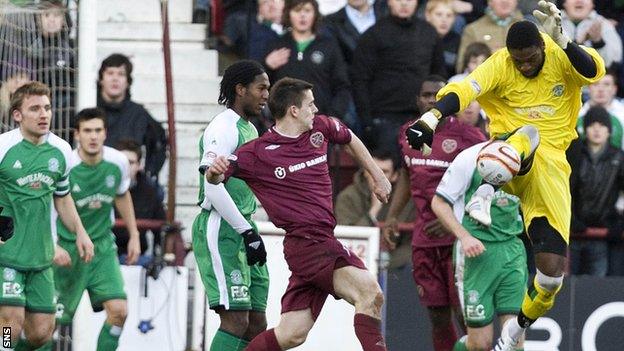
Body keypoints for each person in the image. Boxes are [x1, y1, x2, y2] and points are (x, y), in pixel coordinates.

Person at [405, 4, 606, 348]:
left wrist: (566, 42)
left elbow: (593, 72)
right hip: (506, 153)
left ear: (543, 47)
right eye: (518, 60)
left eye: (529, 59)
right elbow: (465, 89)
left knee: (550, 277)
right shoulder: (501, 62)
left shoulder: (560, 55)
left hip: (552, 167)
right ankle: (485, 191)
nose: (523, 65)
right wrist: (432, 117)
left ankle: (514, 333)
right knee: (527, 131)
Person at [206, 77, 391, 351]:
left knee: (292, 333)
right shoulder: (258, 152)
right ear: (294, 110)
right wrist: (214, 171)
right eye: (310, 105)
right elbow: (215, 177)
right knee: (370, 293)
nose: (315, 110)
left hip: (315, 243)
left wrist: (377, 176)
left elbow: (350, 138)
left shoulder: (320, 129)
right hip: (309, 244)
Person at [384, 75, 485, 351]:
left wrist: (454, 219)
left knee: (466, 316)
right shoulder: (409, 133)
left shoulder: (469, 137)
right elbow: (407, 174)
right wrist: (393, 216)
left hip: (458, 241)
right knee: (437, 316)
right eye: (426, 95)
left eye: (438, 95)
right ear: (418, 100)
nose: (432, 100)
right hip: (424, 239)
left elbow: (487, 183)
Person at [0, 81, 94, 349]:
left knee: (41, 332)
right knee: (10, 325)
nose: (44, 114)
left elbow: (62, 198)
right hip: (6, 255)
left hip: (41, 256)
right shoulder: (4, 148)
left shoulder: (62, 151)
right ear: (17, 115)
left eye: (47, 108)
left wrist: (81, 233)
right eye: (35, 108)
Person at [38, 108, 141, 351]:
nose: (93, 136)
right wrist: (52, 245)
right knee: (39, 325)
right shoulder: (67, 165)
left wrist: (134, 234)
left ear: (105, 133)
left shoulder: (118, 162)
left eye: (97, 130)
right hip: (67, 251)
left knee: (119, 311)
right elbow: (51, 208)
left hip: (101, 248)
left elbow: (122, 194)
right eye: (87, 131)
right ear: (77, 135)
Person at [192, 60, 271, 351]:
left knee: (257, 323)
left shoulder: (249, 128)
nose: (266, 95)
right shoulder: (223, 127)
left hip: (244, 225)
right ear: (240, 89)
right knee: (236, 320)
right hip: (221, 228)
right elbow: (212, 186)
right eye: (261, 88)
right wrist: (246, 232)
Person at [431, 141, 527, 351]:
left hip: (512, 252)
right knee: (479, 344)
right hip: (477, 254)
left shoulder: (526, 157)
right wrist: (464, 237)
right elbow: (439, 202)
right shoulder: (470, 157)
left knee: (514, 341)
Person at [351, 0, 446, 152]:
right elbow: (360, 80)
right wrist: (367, 122)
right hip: (384, 118)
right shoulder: (373, 34)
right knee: (387, 171)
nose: (404, 3)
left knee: (422, 172)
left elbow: (439, 76)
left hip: (422, 117)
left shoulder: (429, 33)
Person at [263, 0, 350, 118]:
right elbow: (261, 86)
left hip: (320, 121)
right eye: (297, 10)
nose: (302, 15)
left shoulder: (328, 45)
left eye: (307, 10)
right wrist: (267, 65)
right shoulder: (276, 44)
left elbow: (342, 86)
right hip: (284, 122)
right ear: (288, 13)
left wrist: (334, 116)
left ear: (315, 14)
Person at [567, 106, 624, 277]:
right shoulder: (575, 154)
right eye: (592, 125)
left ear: (609, 130)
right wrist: (570, 218)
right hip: (573, 232)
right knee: (566, 286)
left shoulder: (619, 158)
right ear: (586, 129)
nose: (597, 130)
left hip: (602, 233)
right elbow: (566, 187)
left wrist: (619, 222)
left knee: (596, 286)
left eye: (602, 125)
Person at [96, 53, 167, 179]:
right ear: (101, 79)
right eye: (110, 73)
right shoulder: (89, 109)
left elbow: (160, 141)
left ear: (128, 81)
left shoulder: (138, 113)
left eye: (121, 74)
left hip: (129, 182)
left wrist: (149, 172)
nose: (115, 79)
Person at [114, 139, 166, 266]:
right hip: (101, 254)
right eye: (122, 161)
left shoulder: (150, 191)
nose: (125, 167)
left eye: (130, 162)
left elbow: (161, 227)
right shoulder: (101, 185)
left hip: (137, 256)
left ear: (139, 165)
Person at [455, 0, 523, 74]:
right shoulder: (473, 30)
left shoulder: (529, 28)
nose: (505, 1)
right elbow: (461, 66)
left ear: (516, 1)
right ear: (489, 2)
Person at [561, 0, 623, 68]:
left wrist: (598, 42)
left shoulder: (604, 24)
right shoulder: (552, 21)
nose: (579, 1)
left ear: (592, 4)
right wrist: (578, 43)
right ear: (564, 3)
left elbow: (614, 62)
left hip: (594, 76)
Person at [576, 69, 624, 149]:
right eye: (596, 84)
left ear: (614, 89)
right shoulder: (577, 114)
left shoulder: (622, 115)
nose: (601, 89)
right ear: (589, 87)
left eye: (606, 84)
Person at [425, 0, 461, 77]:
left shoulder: (458, 40)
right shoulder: (419, 36)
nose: (444, 20)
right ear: (428, 15)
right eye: (439, 14)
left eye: (449, 15)